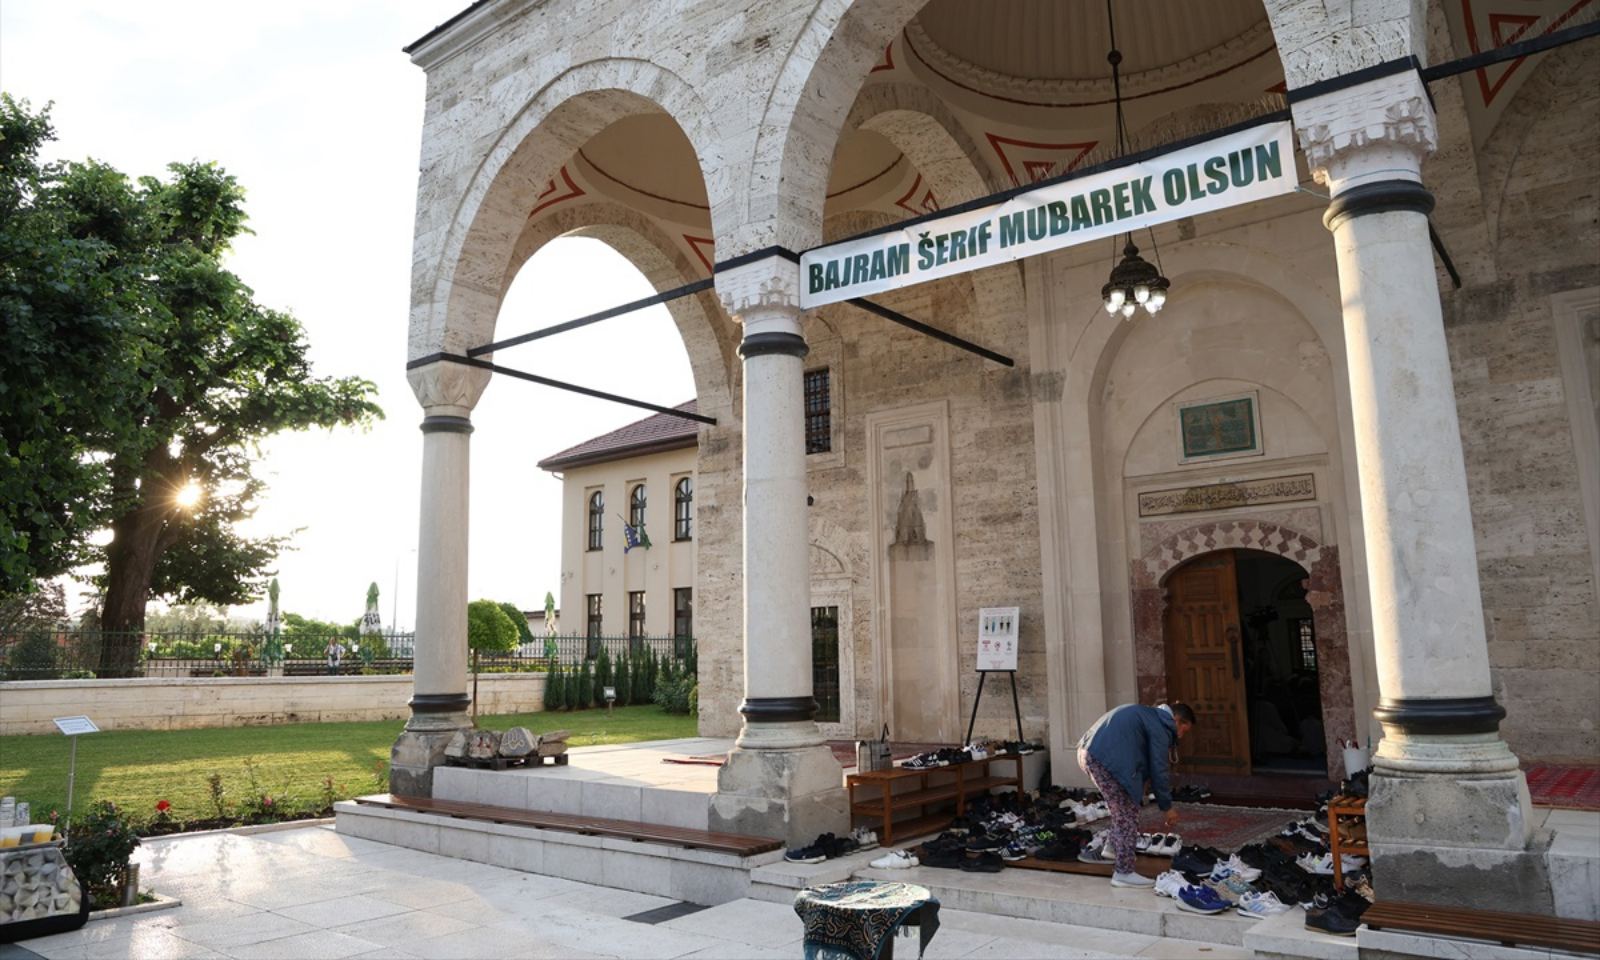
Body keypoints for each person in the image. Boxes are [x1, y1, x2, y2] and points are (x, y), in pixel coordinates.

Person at [1077, 701, 1195, 888]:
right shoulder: (1160, 726)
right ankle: (1123, 873)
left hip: (1090, 752)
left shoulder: (1150, 716)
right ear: (1176, 720)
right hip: (1103, 759)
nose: (1180, 736)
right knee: (1127, 814)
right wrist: (1167, 807)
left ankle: (1113, 847)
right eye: (1183, 730)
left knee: (1123, 808)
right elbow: (1159, 769)